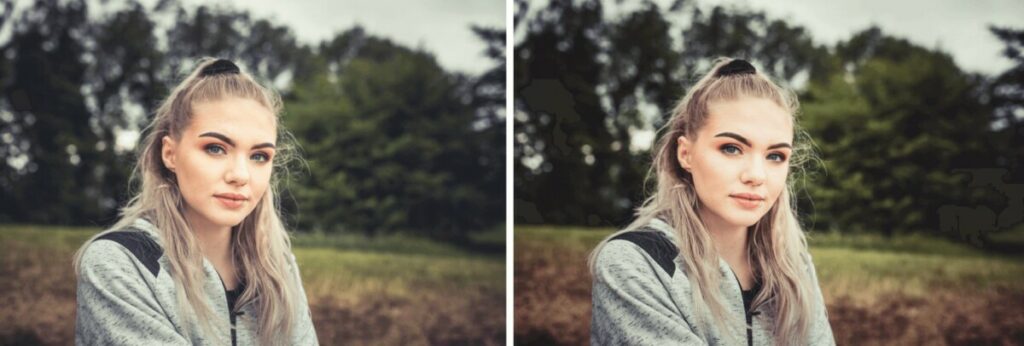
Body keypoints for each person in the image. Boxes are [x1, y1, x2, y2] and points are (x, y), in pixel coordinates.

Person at [589, 58, 836, 345]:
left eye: (775, 156)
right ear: (686, 154)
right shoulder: (636, 263)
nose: (756, 175)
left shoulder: (796, 268)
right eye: (731, 148)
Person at [73, 58, 318, 345]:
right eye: (215, 148)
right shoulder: (121, 263)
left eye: (259, 156)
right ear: (170, 154)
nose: (240, 175)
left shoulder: (280, 270)